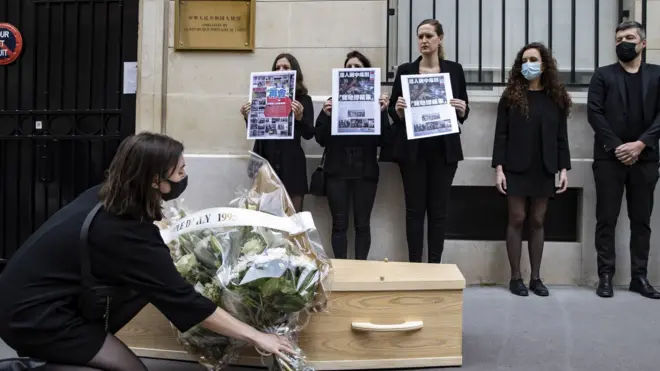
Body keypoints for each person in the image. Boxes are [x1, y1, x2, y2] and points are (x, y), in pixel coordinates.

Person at [0, 133, 295, 371]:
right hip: (34, 318)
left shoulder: (107, 195)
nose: (185, 175)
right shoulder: (124, 234)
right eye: (180, 171)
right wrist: (258, 336)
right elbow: (183, 300)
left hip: (25, 297)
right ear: (155, 181)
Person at [492, 42, 572, 297]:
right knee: (517, 218)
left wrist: (563, 169)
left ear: (544, 63)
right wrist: (499, 169)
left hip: (545, 166)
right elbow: (500, 135)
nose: (529, 65)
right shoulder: (510, 96)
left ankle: (536, 277)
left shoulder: (556, 98)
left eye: (533, 59)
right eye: (524, 60)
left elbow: (562, 137)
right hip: (515, 166)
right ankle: (516, 278)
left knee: (537, 220)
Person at [587, 21, 660, 299]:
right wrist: (619, 147)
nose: (623, 43)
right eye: (618, 39)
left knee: (641, 220)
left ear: (643, 43)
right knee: (606, 218)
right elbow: (595, 113)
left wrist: (640, 145)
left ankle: (639, 278)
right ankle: (605, 276)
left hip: (646, 159)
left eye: (629, 37)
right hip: (609, 158)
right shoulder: (603, 75)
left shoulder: (656, 75)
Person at [388, 19, 469, 263]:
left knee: (439, 213)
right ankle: (415, 266)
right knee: (414, 211)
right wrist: (398, 110)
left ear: (440, 39)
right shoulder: (405, 70)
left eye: (429, 36)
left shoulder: (454, 70)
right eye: (420, 36)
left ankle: (434, 266)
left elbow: (463, 109)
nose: (424, 41)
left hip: (444, 151)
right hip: (413, 151)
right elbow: (393, 111)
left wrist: (463, 109)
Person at [314, 51, 391, 260]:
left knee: (362, 224)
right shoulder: (333, 101)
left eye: (358, 67)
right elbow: (319, 138)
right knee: (339, 224)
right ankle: (341, 269)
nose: (352, 71)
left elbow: (384, 141)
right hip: (336, 170)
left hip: (365, 171)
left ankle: (361, 270)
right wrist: (327, 114)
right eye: (348, 68)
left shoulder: (376, 104)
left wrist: (383, 112)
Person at [240, 53, 315, 212]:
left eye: (286, 67)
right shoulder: (262, 97)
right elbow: (257, 132)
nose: (280, 70)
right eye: (277, 68)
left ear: (295, 71)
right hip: (268, 161)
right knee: (267, 220)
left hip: (292, 165)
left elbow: (309, 134)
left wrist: (300, 118)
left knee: (294, 220)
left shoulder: (303, 100)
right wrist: (249, 118)